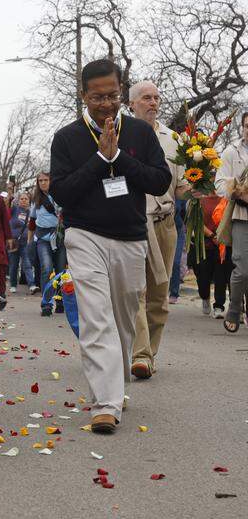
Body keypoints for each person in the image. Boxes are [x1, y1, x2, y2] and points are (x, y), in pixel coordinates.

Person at [50, 60, 171, 434]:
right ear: (83, 95)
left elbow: (159, 179)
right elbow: (61, 190)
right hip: (84, 235)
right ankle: (105, 403)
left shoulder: (139, 133)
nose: (106, 104)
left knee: (121, 321)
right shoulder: (67, 138)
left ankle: (114, 385)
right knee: (96, 317)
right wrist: (100, 160)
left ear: (121, 92)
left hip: (131, 239)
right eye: (97, 96)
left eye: (112, 96)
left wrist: (120, 159)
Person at [127, 81, 192, 380]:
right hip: (131, 223)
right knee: (135, 292)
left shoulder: (173, 139)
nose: (153, 103)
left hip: (165, 224)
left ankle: (149, 354)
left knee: (159, 296)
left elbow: (179, 188)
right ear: (132, 103)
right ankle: (139, 355)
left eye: (156, 98)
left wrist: (197, 183)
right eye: (146, 98)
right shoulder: (120, 134)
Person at [214, 111, 248, 332]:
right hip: (241, 216)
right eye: (247, 125)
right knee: (243, 268)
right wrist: (237, 190)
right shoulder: (230, 152)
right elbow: (219, 184)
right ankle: (234, 309)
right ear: (243, 127)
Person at [188, 194, 232, 318]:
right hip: (202, 245)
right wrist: (212, 235)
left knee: (221, 277)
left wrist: (220, 236)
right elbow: (196, 222)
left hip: (221, 246)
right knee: (202, 277)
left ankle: (219, 306)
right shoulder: (198, 200)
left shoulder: (225, 199)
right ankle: (205, 296)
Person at [29, 171, 66, 315]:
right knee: (46, 268)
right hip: (43, 239)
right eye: (40, 180)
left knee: (61, 271)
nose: (43, 183)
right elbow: (32, 222)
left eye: (46, 180)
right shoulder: (36, 199)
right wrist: (29, 241)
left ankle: (61, 301)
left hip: (60, 238)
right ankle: (46, 304)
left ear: (51, 180)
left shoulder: (60, 195)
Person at [8, 192, 36, 294]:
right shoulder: (14, 209)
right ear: (18, 201)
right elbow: (8, 203)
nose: (24, 200)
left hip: (26, 242)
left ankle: (32, 285)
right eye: (22, 199)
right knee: (13, 265)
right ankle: (13, 285)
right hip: (13, 241)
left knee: (27, 264)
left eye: (26, 199)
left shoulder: (32, 212)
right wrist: (10, 191)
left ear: (29, 201)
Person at [169, 198, 187, 303]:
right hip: (161, 227)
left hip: (177, 229)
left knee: (176, 262)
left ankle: (174, 292)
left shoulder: (179, 193)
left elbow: (184, 213)